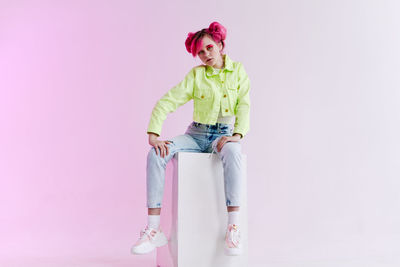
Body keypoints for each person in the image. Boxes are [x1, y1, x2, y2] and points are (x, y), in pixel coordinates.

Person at [131, 21, 250, 256]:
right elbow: (168, 100)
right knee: (156, 153)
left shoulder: (238, 71)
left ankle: (233, 227)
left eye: (209, 48)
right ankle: (154, 230)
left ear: (220, 45)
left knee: (234, 152)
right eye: (200, 52)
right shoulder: (196, 75)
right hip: (196, 136)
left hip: (223, 137)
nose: (205, 54)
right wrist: (154, 135)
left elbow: (244, 104)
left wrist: (236, 135)